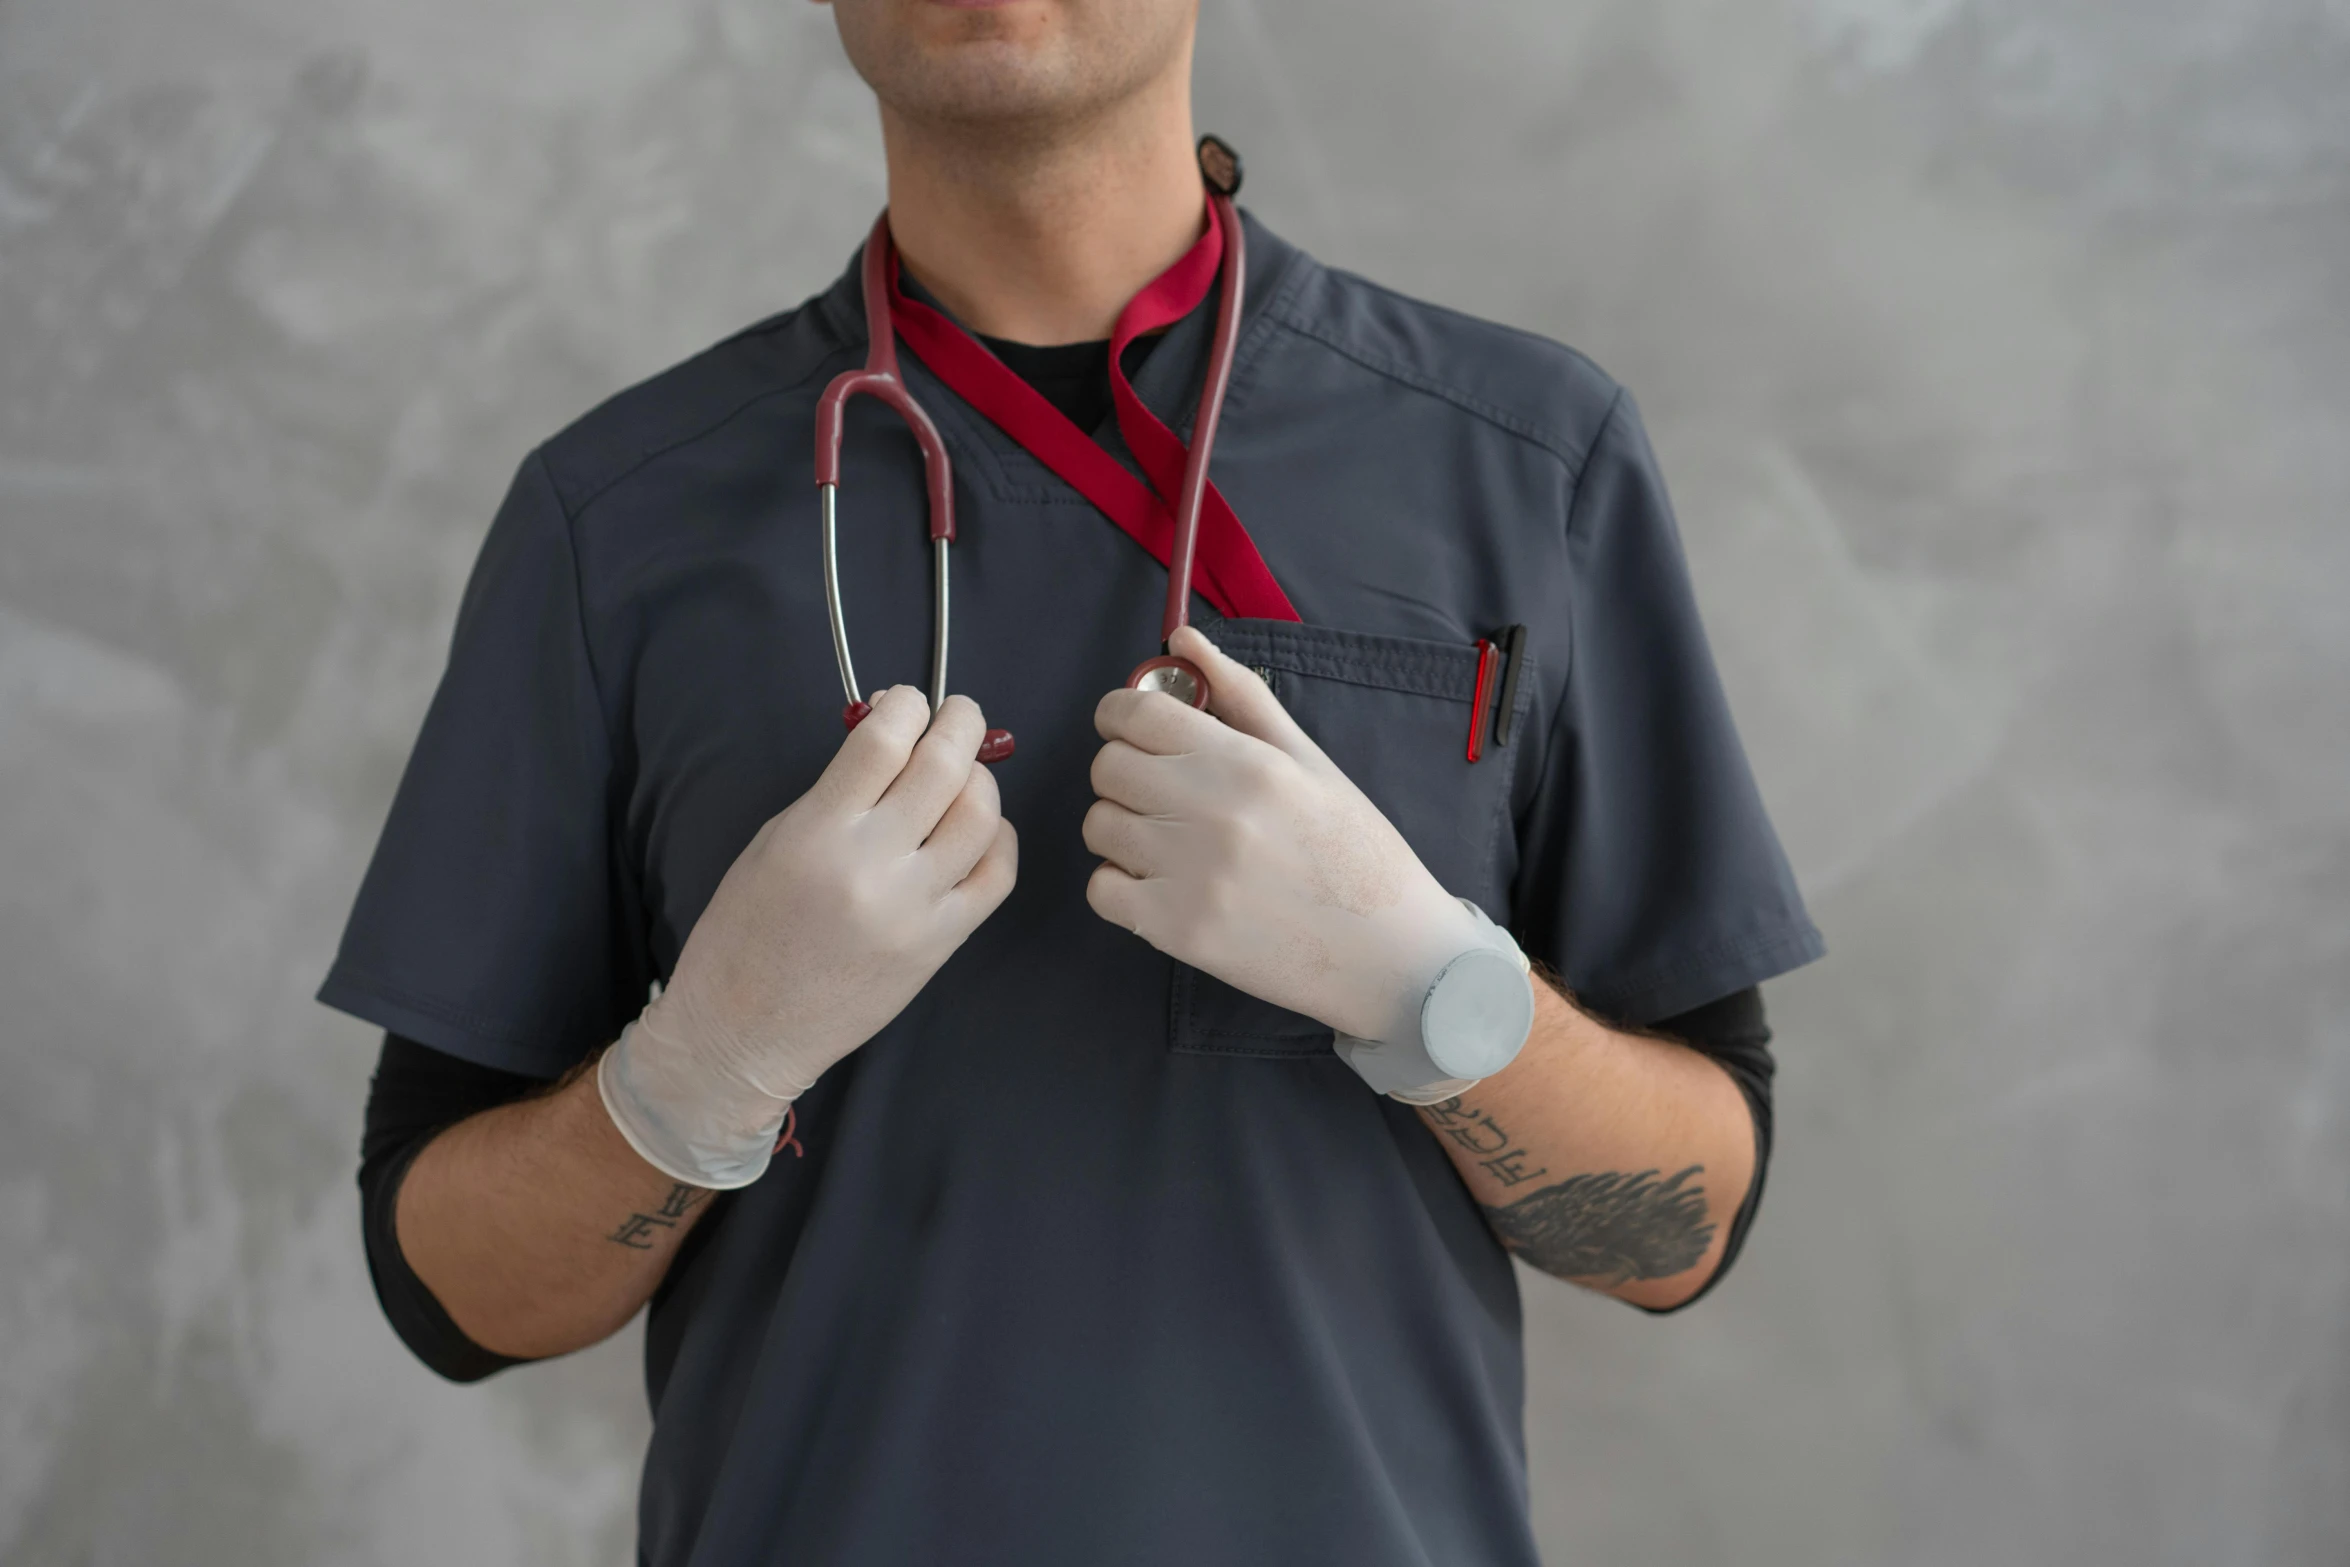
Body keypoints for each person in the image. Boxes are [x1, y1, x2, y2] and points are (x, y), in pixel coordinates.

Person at [322, 1, 1824, 1560]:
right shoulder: (619, 522)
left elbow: (1684, 1227)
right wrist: (696, 1068)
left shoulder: (1523, 462)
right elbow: (451, 1293)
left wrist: (1434, 988)